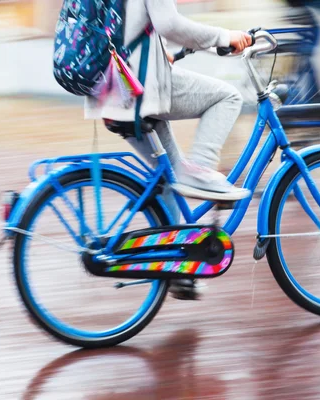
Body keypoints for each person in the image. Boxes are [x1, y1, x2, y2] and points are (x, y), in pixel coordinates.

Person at [85, 0, 253, 300]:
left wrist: (161, 53)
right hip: (142, 88)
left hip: (113, 88)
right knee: (227, 97)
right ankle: (200, 172)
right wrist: (224, 36)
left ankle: (179, 268)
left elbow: (132, 24)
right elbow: (170, 24)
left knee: (168, 179)